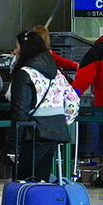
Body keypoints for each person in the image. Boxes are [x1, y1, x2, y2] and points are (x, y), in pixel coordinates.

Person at [9, 31, 69, 181]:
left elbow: (20, 113)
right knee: (42, 181)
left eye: (17, 47)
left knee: (26, 183)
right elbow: (73, 100)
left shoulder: (25, 74)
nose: (15, 51)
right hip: (54, 132)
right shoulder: (55, 72)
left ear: (25, 48)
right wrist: (63, 120)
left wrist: (13, 148)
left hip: (32, 134)